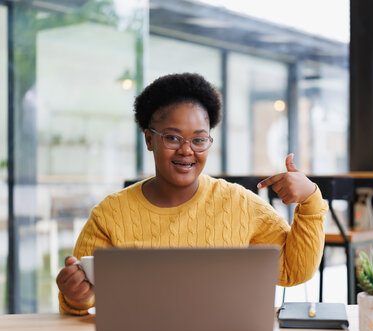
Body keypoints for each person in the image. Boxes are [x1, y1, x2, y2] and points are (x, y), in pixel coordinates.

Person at [56, 73, 328, 315]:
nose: (187, 150)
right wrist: (77, 296)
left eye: (198, 140)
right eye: (173, 138)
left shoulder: (240, 204)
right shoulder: (111, 214)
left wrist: (310, 198)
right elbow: (80, 300)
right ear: (149, 139)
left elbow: (294, 270)